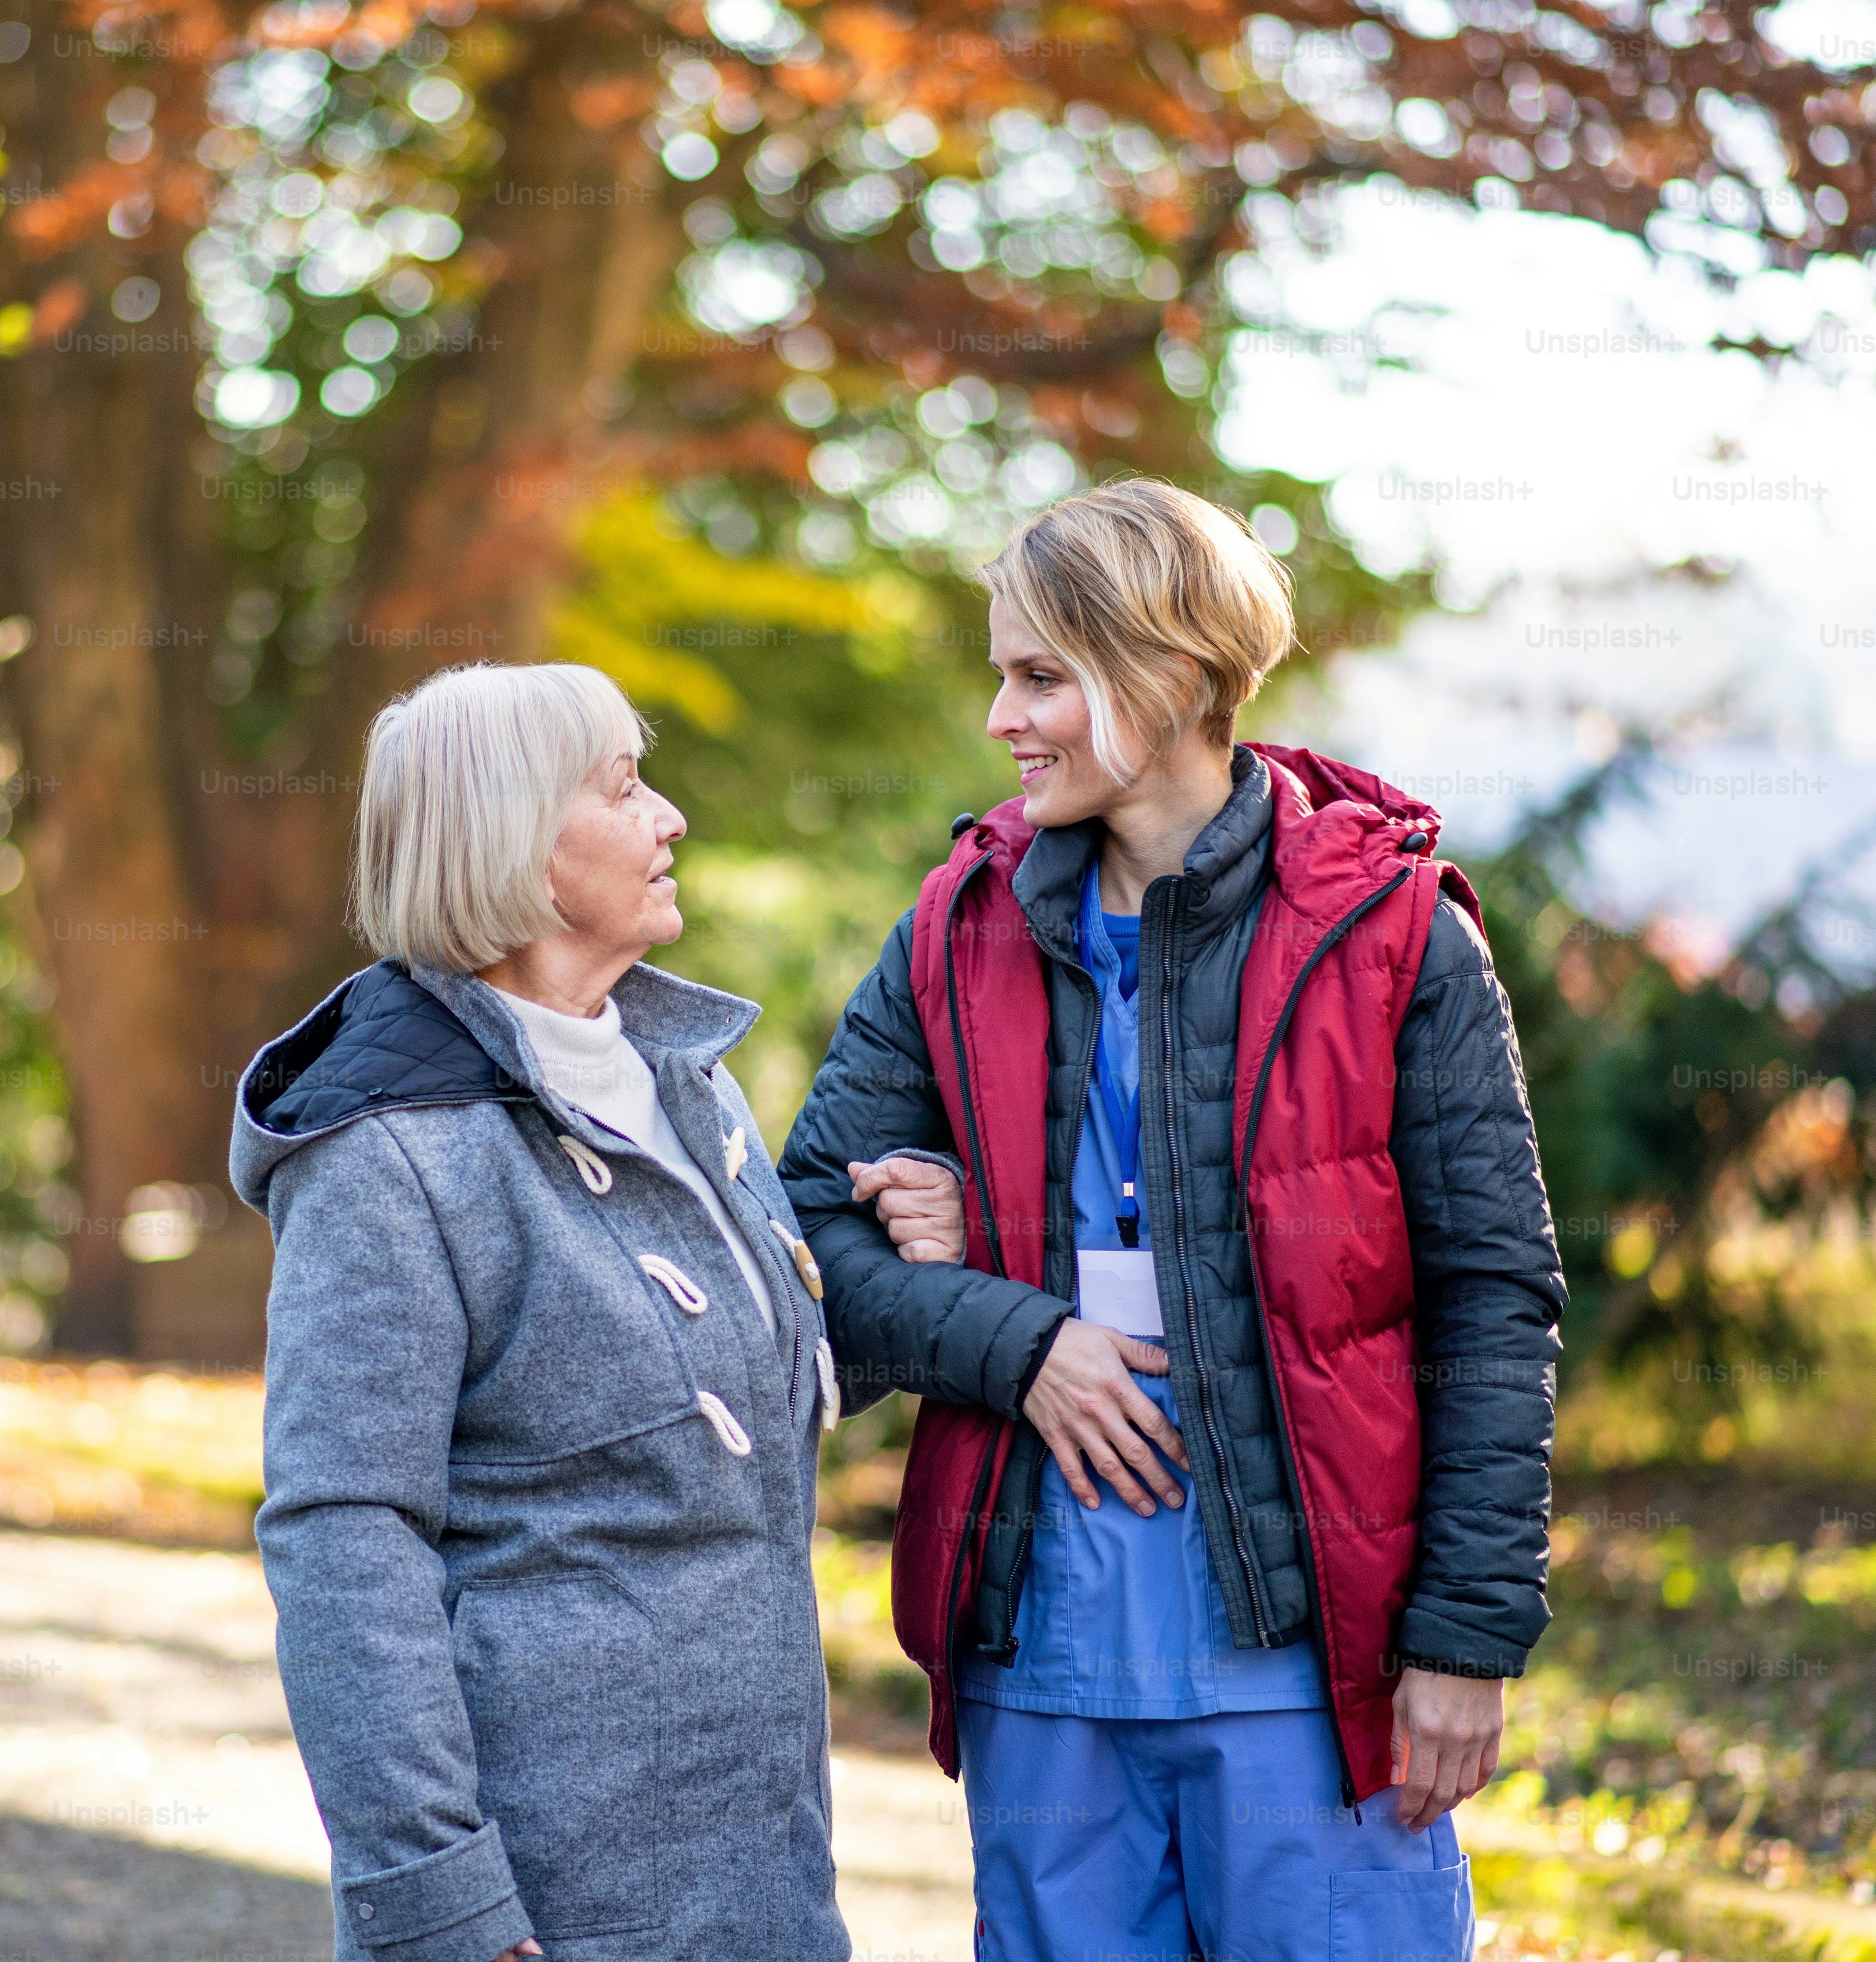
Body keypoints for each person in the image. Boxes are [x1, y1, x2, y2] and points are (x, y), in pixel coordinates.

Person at [778, 479, 1565, 1962]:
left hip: (1312, 1677)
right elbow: (807, 1238)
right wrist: (1017, 1343)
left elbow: (1490, 1296)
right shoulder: (956, 928)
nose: (1004, 717)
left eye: (1042, 676)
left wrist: (1468, 1638)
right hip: (1044, 1668)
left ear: (1175, 677)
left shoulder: (1396, 936)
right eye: (1005, 673)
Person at [232, 663, 853, 1962]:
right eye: (627, 787)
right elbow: (345, 1535)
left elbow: (742, 1388)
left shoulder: (693, 1095)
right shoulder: (388, 1159)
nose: (673, 816)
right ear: (514, 840)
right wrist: (436, 1898)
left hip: (767, 1879)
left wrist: (914, 1248)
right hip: (549, 1902)